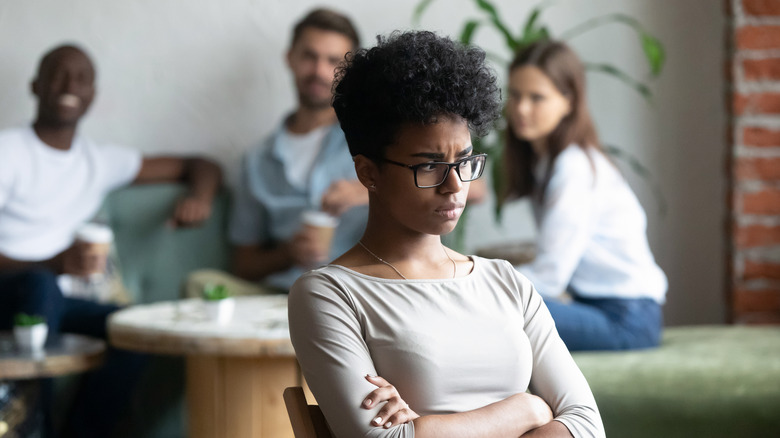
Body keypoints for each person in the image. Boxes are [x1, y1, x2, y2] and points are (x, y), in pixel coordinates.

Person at [289, 31, 605, 438]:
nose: (455, 185)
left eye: (464, 161)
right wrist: (528, 408)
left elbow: (586, 425)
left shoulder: (506, 282)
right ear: (369, 172)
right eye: (429, 166)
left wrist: (425, 427)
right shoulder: (331, 295)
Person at [0, 44, 222, 437]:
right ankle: (35, 429)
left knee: (132, 327)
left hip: (57, 304)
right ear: (36, 86)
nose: (71, 84)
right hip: (10, 294)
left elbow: (200, 164)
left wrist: (199, 198)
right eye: (59, 73)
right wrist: (53, 263)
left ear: (92, 96)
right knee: (40, 285)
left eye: (82, 77)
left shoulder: (98, 161)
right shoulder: (9, 151)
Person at [185, 8, 369, 297]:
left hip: (358, 292)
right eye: (309, 56)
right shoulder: (257, 160)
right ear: (290, 58)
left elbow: (459, 185)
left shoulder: (373, 137)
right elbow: (244, 265)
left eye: (333, 61)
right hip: (284, 297)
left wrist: (367, 191)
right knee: (199, 284)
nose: (319, 71)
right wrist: (287, 253)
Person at [503, 40, 668, 351]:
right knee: (495, 309)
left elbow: (550, 277)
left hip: (628, 319)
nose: (521, 108)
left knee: (496, 310)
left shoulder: (573, 168)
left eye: (536, 97)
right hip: (598, 307)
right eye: (515, 95)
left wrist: (478, 280)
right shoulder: (544, 164)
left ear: (568, 101)